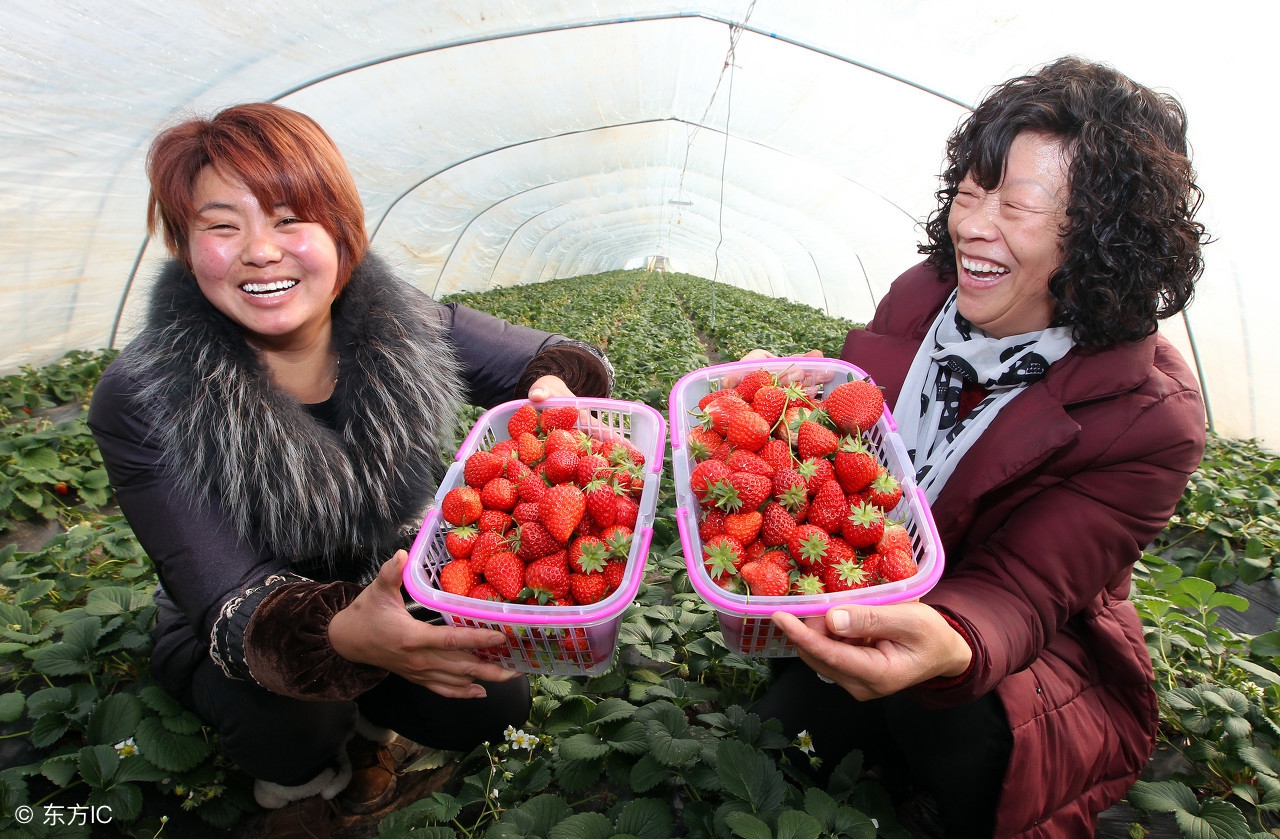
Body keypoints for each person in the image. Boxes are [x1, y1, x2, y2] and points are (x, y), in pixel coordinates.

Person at [88, 103, 613, 837]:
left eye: (288, 218)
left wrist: (555, 390)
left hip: (395, 576)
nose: (260, 251)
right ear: (184, 245)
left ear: (342, 231)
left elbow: (549, 357)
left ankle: (373, 729)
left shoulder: (400, 321)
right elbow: (226, 591)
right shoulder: (145, 393)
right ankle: (300, 783)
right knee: (289, 718)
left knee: (490, 703)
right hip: (251, 617)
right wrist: (338, 636)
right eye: (221, 225)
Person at [749, 57, 1208, 837]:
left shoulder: (1149, 417)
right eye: (969, 192)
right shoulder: (922, 294)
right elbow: (863, 442)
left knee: (954, 729)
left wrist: (955, 641)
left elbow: (1025, 585)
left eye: (1016, 204)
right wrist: (793, 407)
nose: (971, 226)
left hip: (1023, 649)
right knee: (782, 732)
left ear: (1103, 239)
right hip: (873, 577)